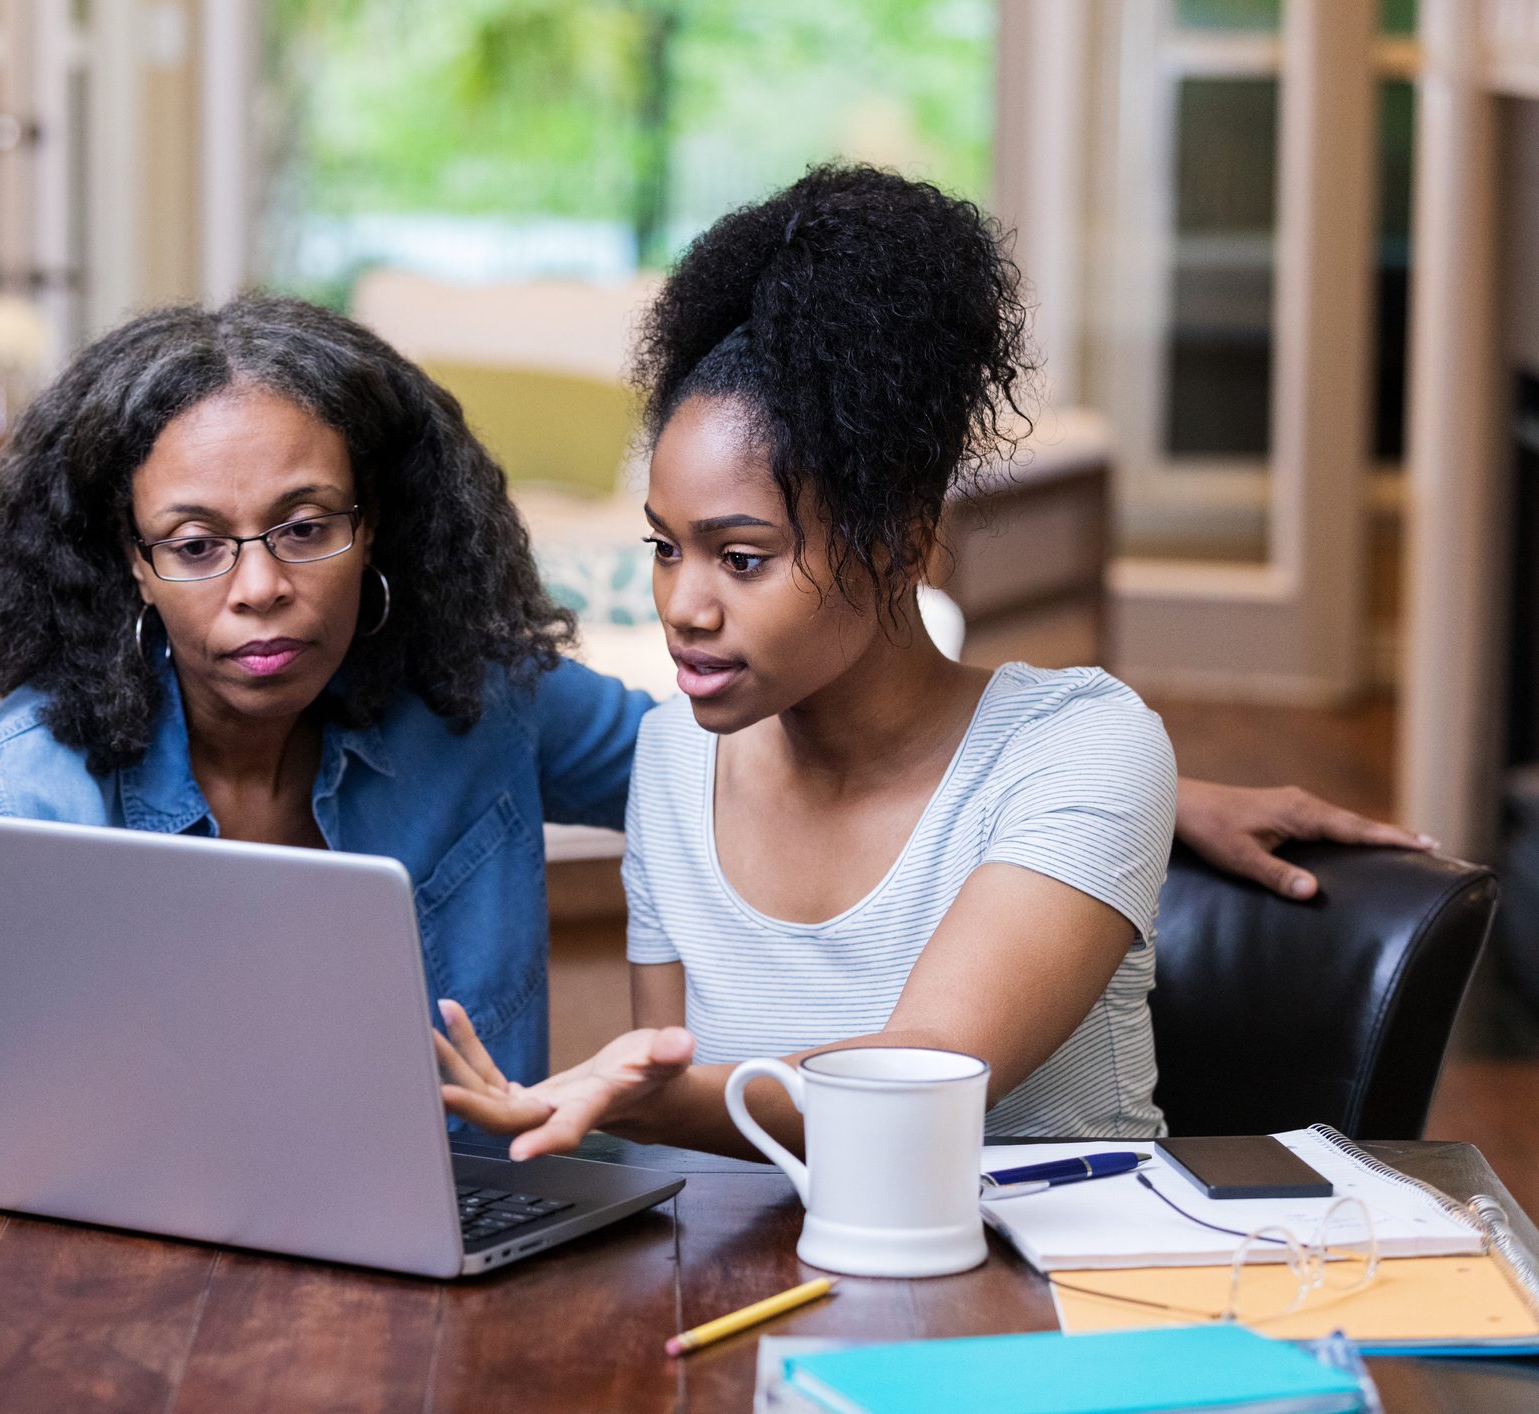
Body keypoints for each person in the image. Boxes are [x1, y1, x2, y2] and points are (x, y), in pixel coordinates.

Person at [0, 293, 1428, 1126]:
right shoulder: (25, 796)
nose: (259, 587)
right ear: (127, 564)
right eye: (196, 546)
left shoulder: (472, 705)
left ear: (379, 529)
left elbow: (770, 740)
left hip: (489, 1246)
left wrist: (1145, 794)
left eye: (308, 524)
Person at [436, 165, 1400, 1155]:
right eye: (665, 547)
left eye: (743, 557)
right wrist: (642, 1107)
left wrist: (630, 1099)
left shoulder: (1083, 748)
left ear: (899, 538)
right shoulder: (674, 759)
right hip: (773, 1293)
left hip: (1060, 1296)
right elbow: (692, 1152)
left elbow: (936, 1071)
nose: (684, 605)